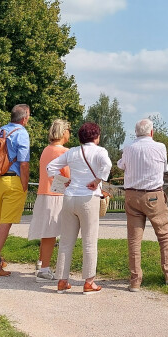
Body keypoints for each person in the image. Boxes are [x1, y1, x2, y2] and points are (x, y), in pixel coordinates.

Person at [118, 117, 168, 291]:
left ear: (136, 133)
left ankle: (135, 280)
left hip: (132, 195)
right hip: (153, 195)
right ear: (152, 132)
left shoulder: (128, 148)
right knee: (163, 234)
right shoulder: (160, 147)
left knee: (134, 239)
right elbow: (164, 168)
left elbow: (121, 165)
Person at [47, 122, 111, 293]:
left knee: (66, 241)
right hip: (88, 198)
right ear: (96, 136)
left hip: (69, 197)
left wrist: (62, 181)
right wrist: (97, 180)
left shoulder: (72, 152)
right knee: (89, 241)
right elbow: (108, 166)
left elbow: (50, 167)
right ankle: (89, 282)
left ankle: (62, 281)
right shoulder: (100, 151)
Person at [0, 104, 32, 277]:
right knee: (6, 224)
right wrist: (24, 184)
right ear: (24, 117)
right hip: (13, 181)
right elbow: (24, 163)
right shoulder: (22, 133)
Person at [28, 119, 71, 280]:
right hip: (56, 194)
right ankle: (44, 269)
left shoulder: (46, 150)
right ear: (63, 132)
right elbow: (68, 174)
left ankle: (41, 262)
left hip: (44, 193)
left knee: (46, 231)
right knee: (51, 232)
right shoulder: (64, 152)